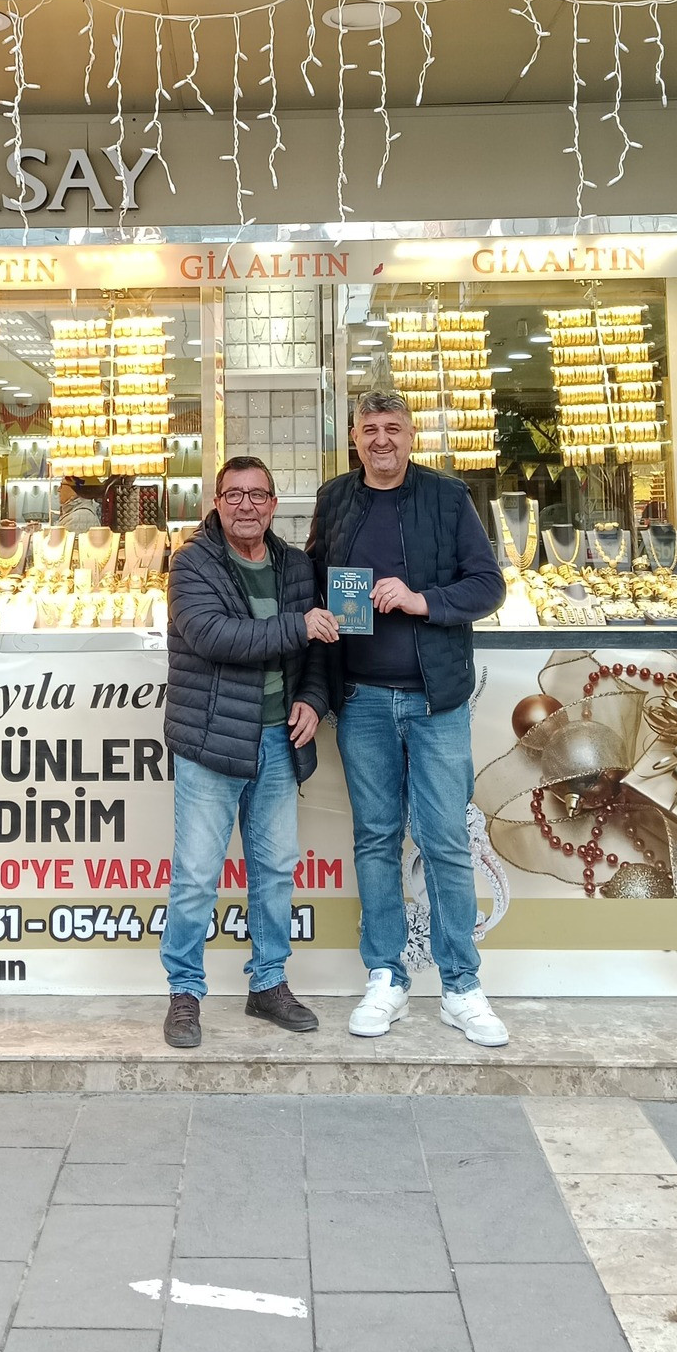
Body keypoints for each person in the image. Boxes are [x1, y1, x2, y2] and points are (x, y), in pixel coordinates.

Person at [306, 389, 509, 1047]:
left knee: (445, 840)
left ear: (411, 434)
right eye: (370, 429)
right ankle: (386, 977)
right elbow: (312, 584)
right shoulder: (336, 499)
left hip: (433, 699)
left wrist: (422, 600)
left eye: (392, 427)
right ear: (355, 438)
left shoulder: (447, 498)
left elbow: (489, 585)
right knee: (375, 840)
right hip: (362, 698)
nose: (381, 439)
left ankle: (461, 986)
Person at [160, 456, 338, 1048]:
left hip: (277, 740)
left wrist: (312, 698)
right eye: (234, 494)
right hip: (211, 741)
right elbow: (212, 635)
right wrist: (299, 626)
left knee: (276, 868)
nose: (246, 505)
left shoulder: (295, 566)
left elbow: (318, 648)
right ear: (216, 501)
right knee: (196, 875)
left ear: (273, 504)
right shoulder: (192, 563)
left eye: (258, 494)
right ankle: (185, 993)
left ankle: (268, 983)